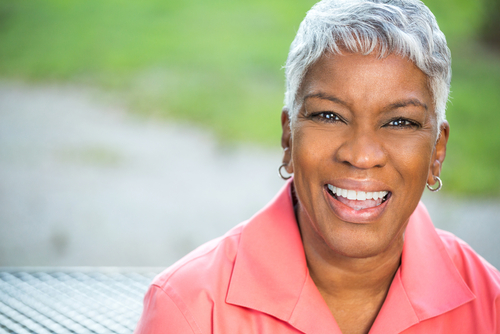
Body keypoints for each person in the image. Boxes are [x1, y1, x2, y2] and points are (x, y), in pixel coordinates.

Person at [135, 0, 500, 333]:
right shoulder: (191, 311)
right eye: (329, 115)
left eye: (400, 122)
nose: (360, 155)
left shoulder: (490, 306)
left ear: (437, 151)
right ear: (288, 139)